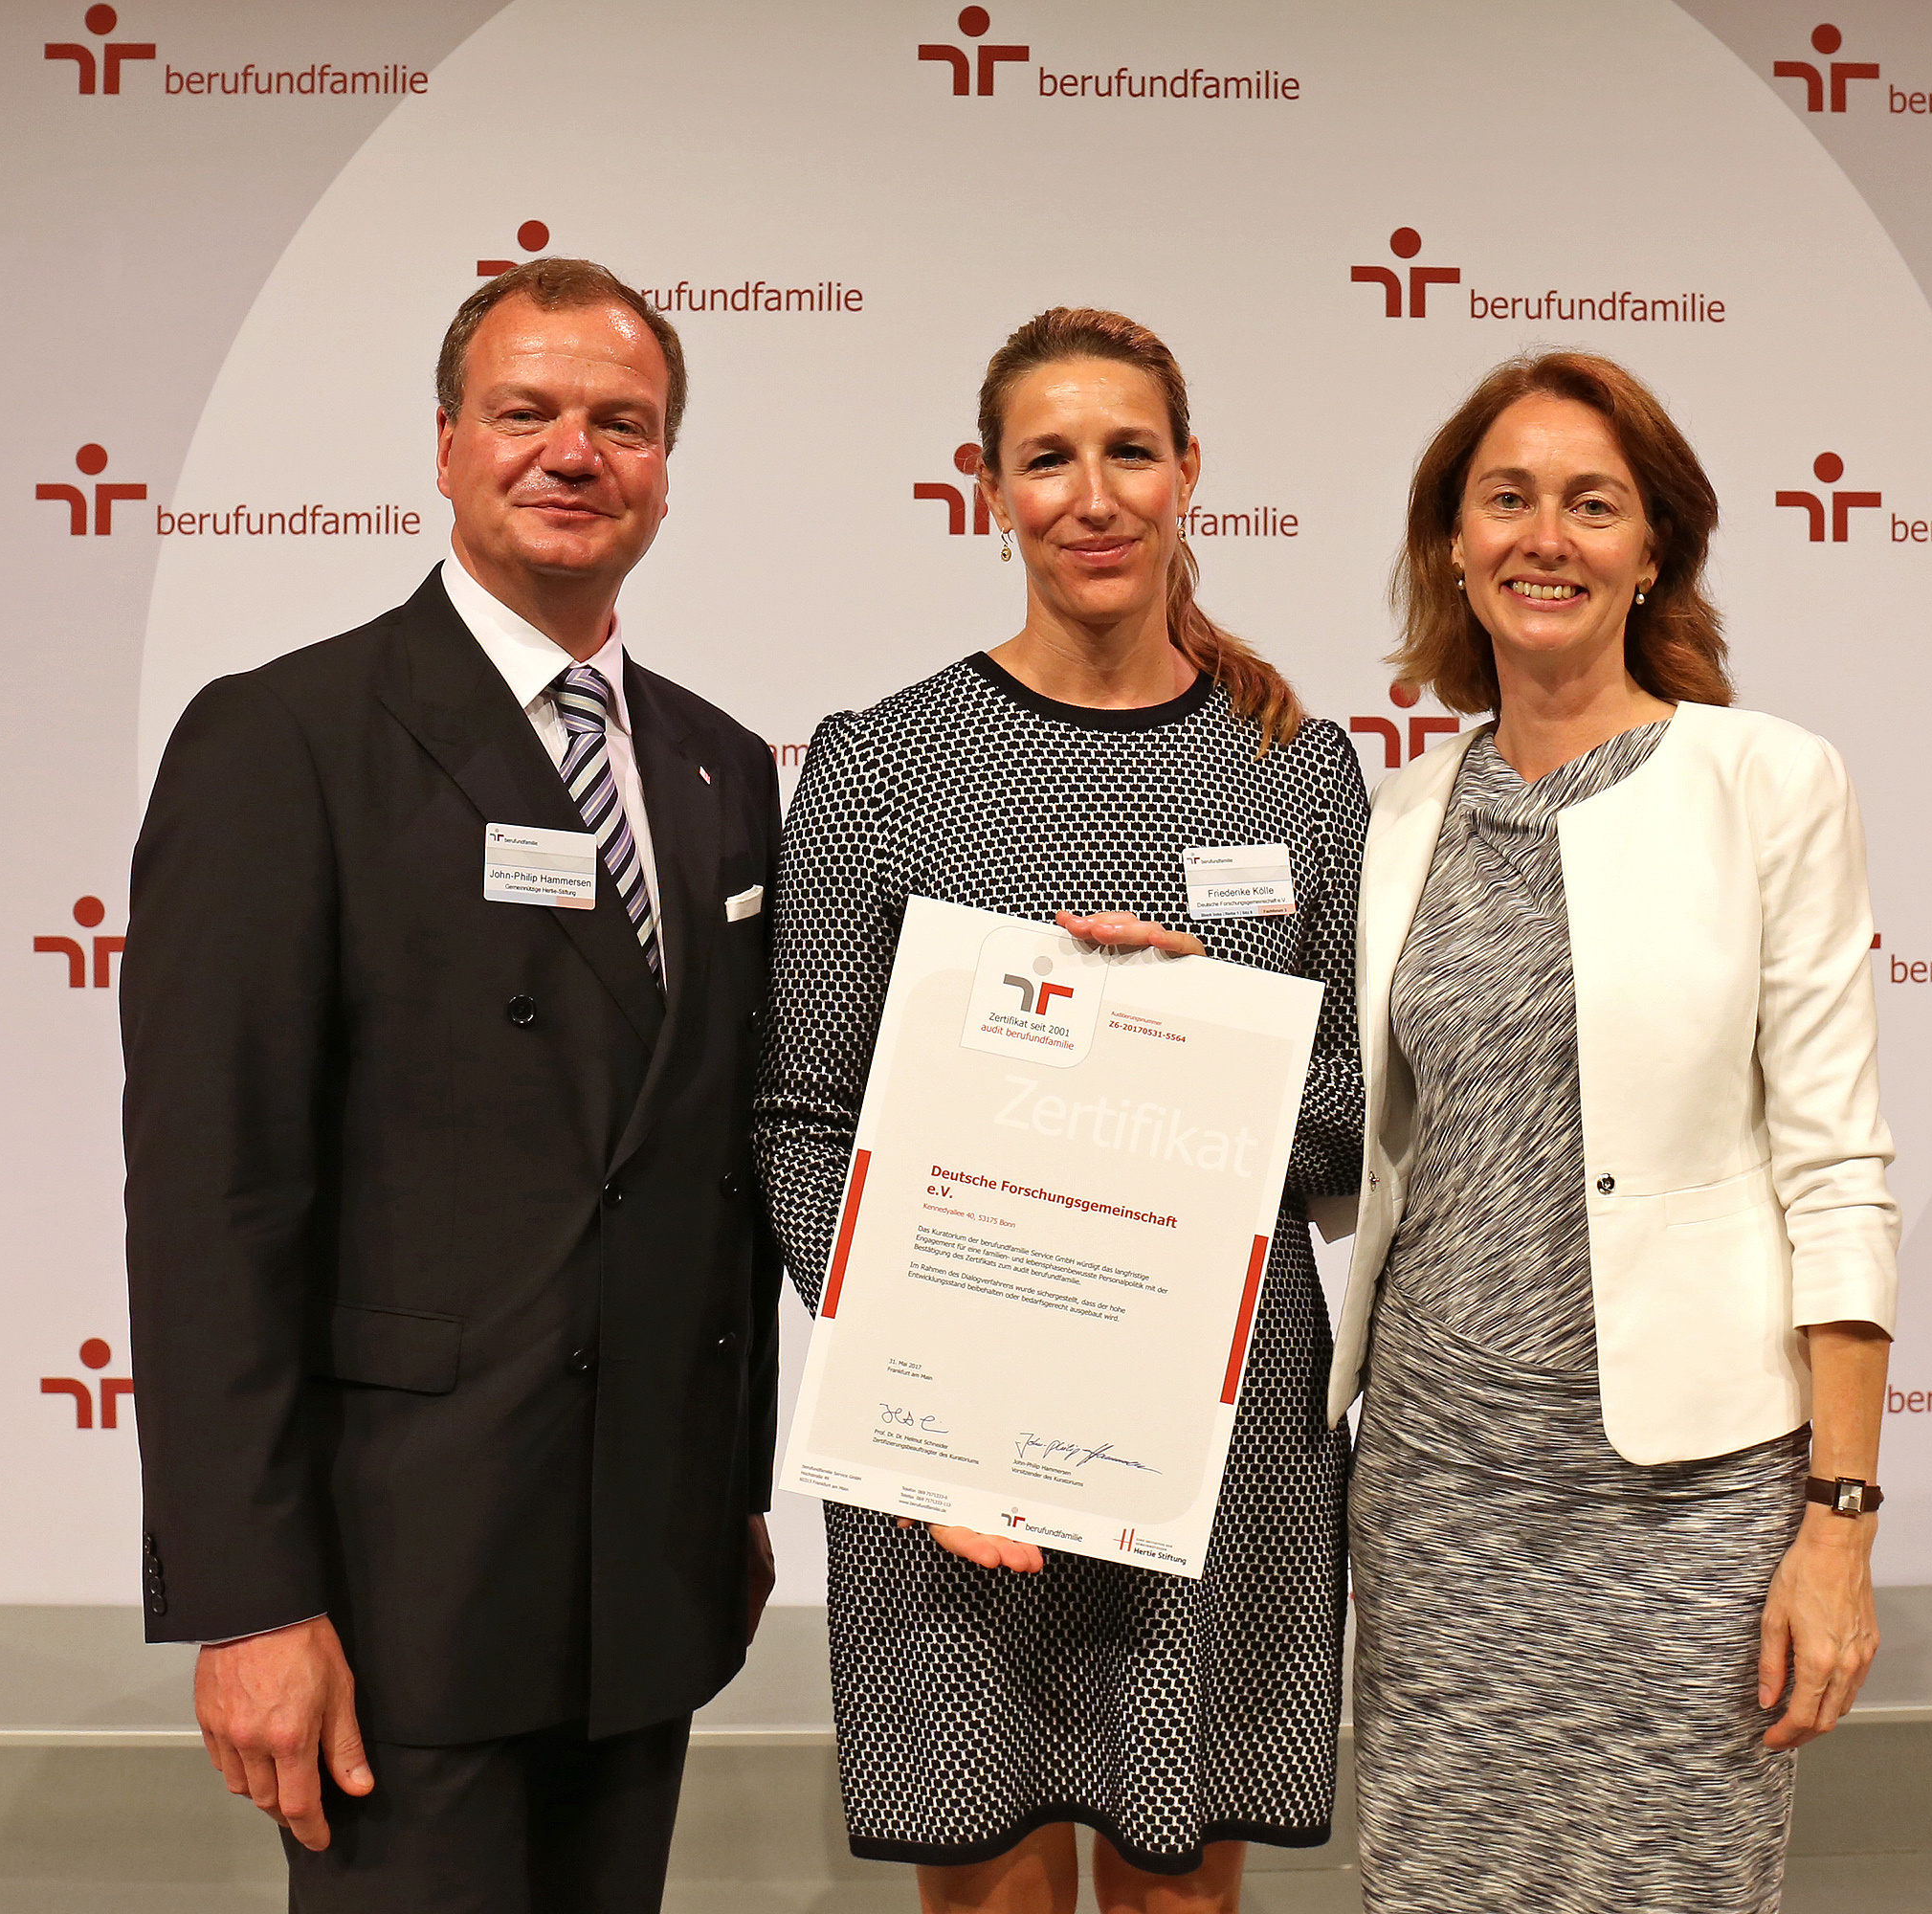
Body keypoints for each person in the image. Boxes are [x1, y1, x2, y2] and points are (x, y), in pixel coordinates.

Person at [121, 257, 782, 1911]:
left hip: (641, 1569)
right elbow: (214, 1203)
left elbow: (719, 1156)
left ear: (665, 468)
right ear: (443, 443)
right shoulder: (285, 740)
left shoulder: (717, 769)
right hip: (397, 1590)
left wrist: (729, 1498)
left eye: (621, 423)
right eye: (527, 413)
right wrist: (250, 1601)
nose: (574, 453)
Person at [754, 307, 1366, 1914]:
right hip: (953, 1455)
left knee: (1181, 1892)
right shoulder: (882, 766)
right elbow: (802, 1125)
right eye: (1049, 459)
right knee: (988, 1890)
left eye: (1128, 453)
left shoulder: (1295, 773)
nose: (1092, 497)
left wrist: (1196, 1033)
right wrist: (932, 1400)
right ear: (988, 489)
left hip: (1218, 1430)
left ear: (1187, 478)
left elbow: (1358, 1120)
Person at [1333, 349, 1899, 1912]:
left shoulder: (1767, 784)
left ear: (1656, 550)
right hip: (1443, 1490)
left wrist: (1838, 1525)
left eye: (1595, 504)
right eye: (1505, 498)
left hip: (1689, 1493)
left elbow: (1839, 1171)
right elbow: (1351, 1146)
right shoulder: (1398, 822)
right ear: (1451, 539)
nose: (1546, 537)